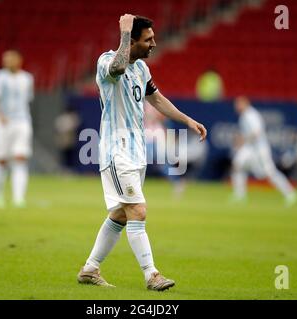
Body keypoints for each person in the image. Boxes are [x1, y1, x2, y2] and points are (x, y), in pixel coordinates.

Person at [77, 14, 207, 291]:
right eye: (148, 39)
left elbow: (157, 99)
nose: (154, 44)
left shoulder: (142, 70)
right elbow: (118, 68)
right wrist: (124, 35)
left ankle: (90, 268)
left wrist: (187, 120)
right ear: (132, 40)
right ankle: (152, 274)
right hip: (116, 150)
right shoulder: (106, 62)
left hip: (137, 154)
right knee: (137, 209)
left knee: (121, 215)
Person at [0, 50, 34, 208]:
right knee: (1, 159)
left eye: (11, 59)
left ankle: (18, 198)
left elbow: (28, 99)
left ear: (19, 60)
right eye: (5, 59)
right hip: (3, 122)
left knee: (20, 158)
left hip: (22, 122)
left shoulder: (27, 78)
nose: (8, 61)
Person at [231, 96, 297, 206]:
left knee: (270, 172)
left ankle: (290, 193)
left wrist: (243, 139)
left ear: (246, 103)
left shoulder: (251, 115)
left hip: (260, 148)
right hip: (250, 148)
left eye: (239, 104)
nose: (237, 106)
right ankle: (240, 195)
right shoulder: (243, 116)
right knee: (238, 164)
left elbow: (257, 132)